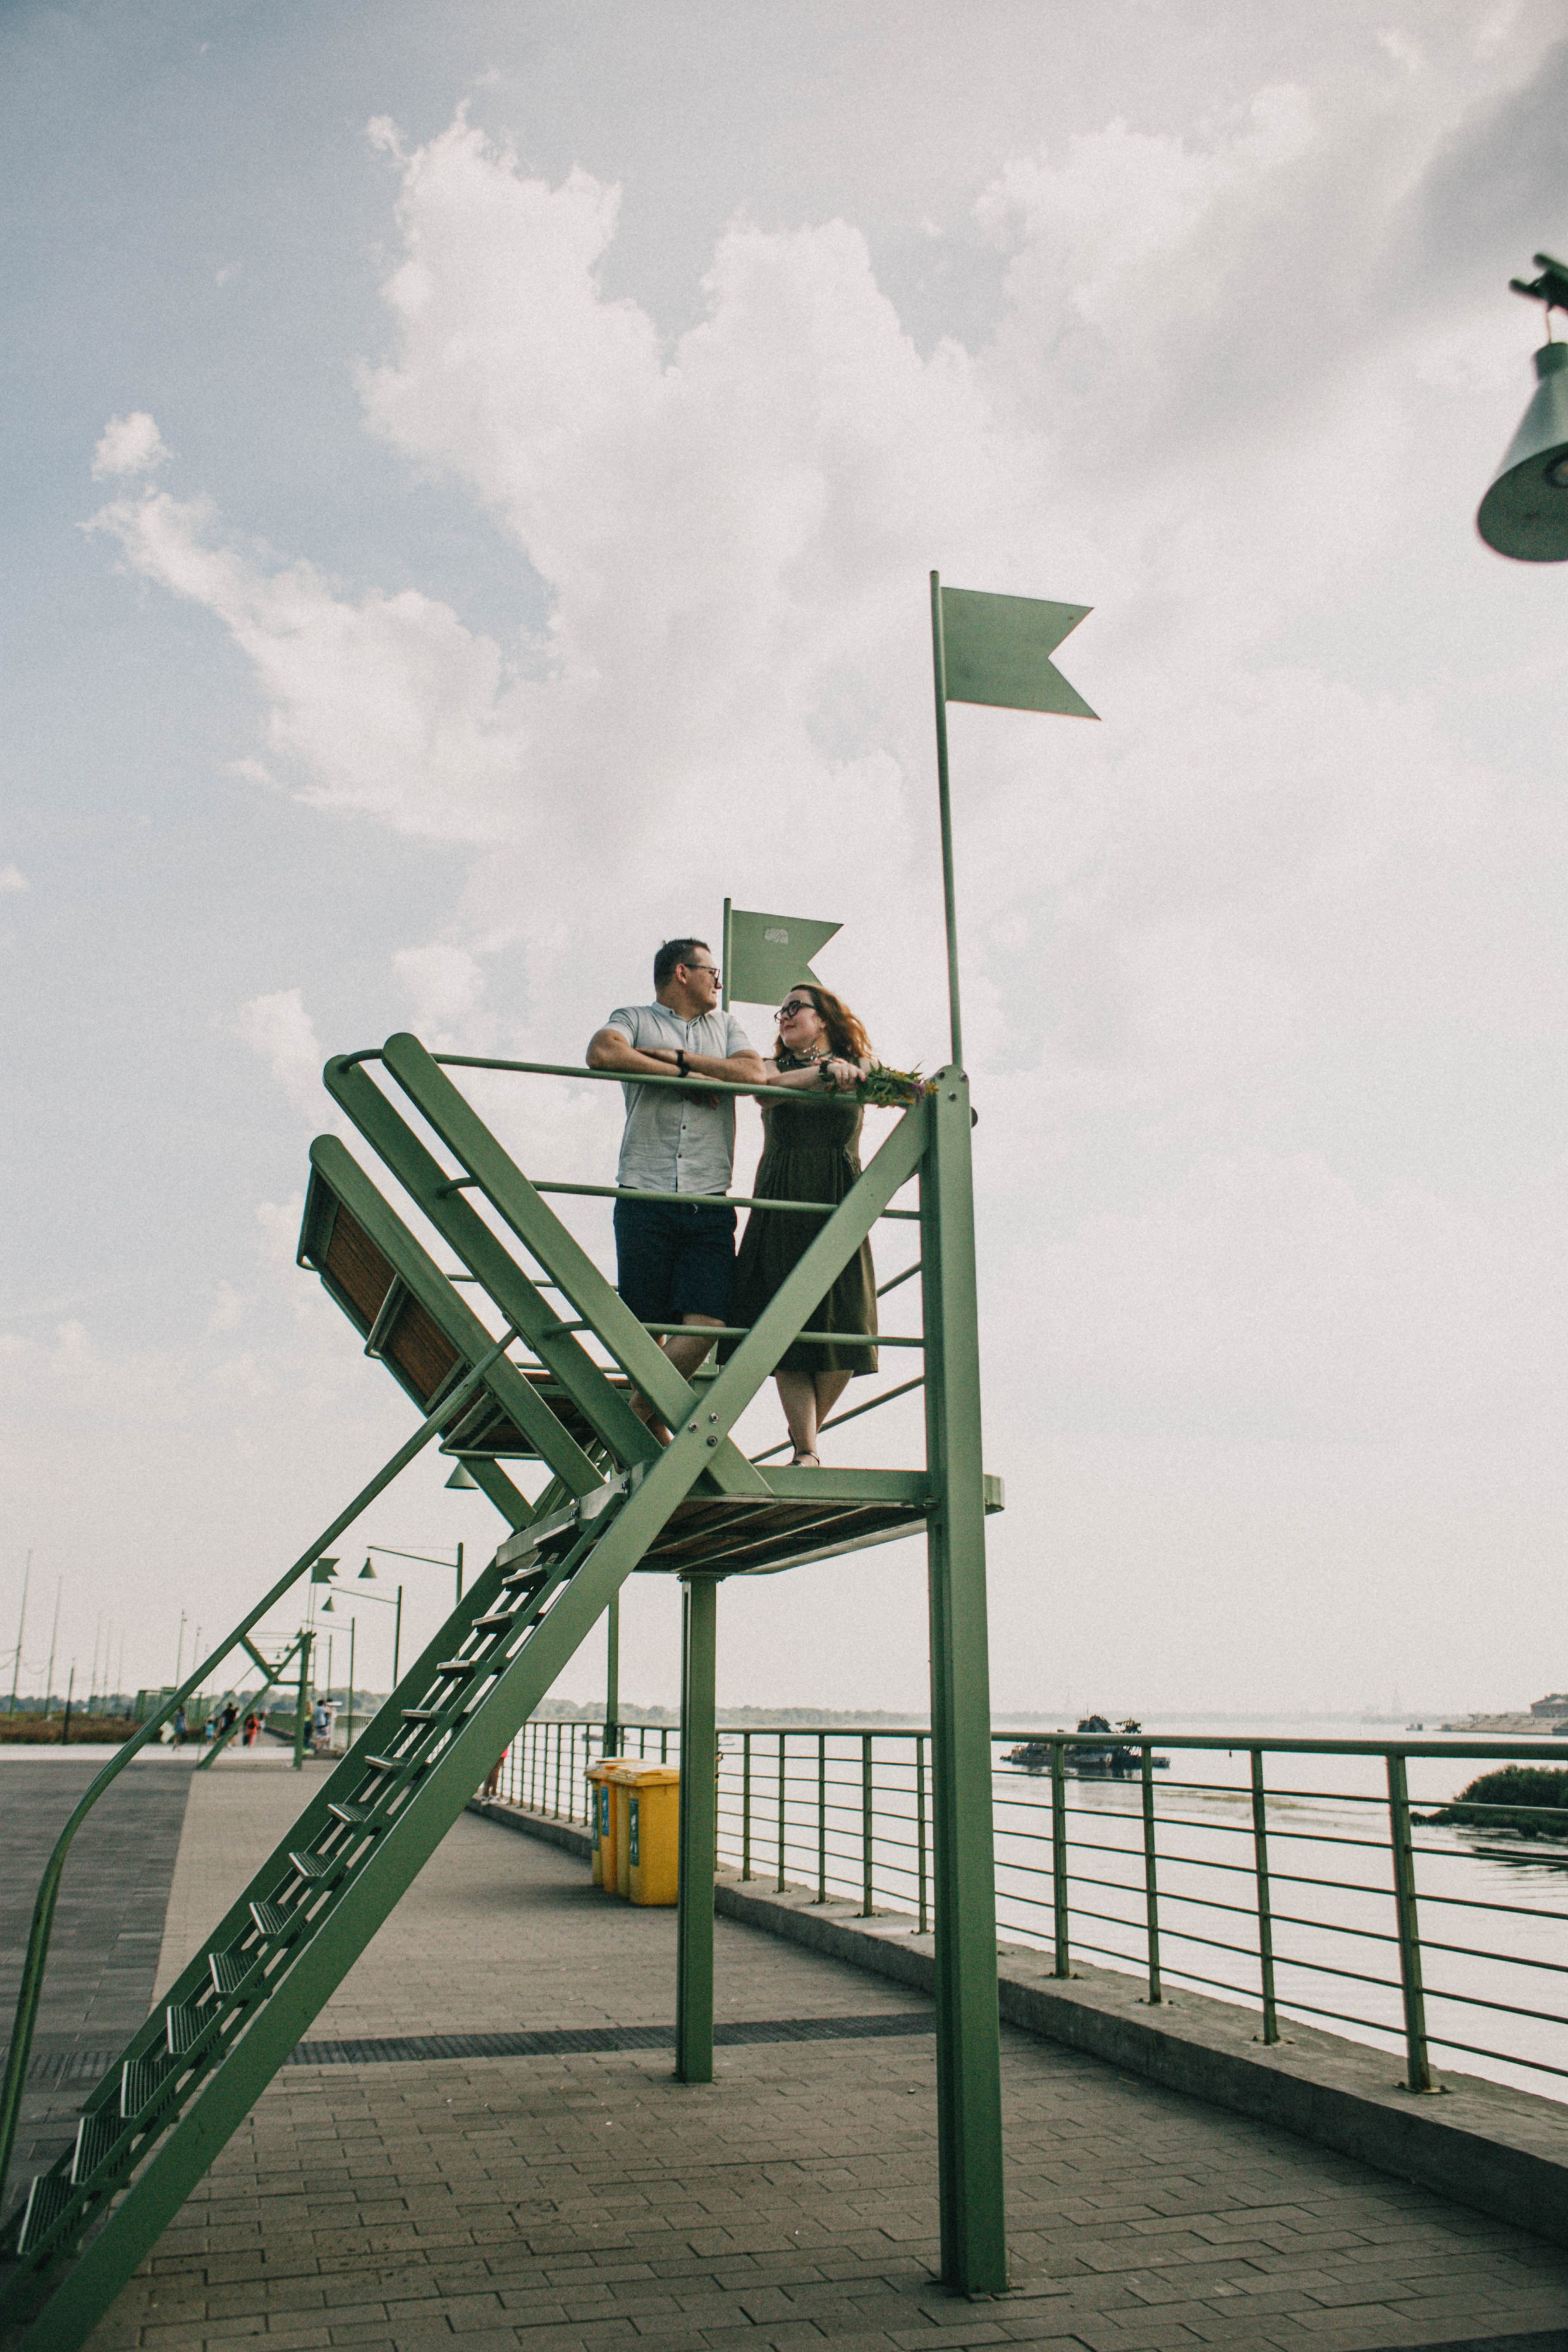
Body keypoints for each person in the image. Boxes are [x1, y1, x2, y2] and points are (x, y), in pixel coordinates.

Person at [587, 938, 764, 1432]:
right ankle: (653, 1429)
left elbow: (752, 1073)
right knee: (645, 1329)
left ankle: (640, 1414)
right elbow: (602, 1052)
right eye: (713, 971)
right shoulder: (633, 1016)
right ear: (683, 973)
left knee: (709, 1322)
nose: (719, 982)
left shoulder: (726, 1025)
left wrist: (682, 1062)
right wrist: (680, 1079)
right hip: (644, 1190)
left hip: (707, 1195)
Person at [724, 984, 878, 1464]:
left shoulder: (861, 1066)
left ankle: (803, 1439)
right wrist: (819, 1074)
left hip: (839, 1196)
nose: (785, 1017)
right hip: (784, 1194)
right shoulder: (772, 1066)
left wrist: (851, 1073)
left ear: (826, 1017)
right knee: (781, 1322)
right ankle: (807, 1450)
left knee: (849, 1323)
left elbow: (892, 1084)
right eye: (781, 1011)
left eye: (795, 1008)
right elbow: (761, 1093)